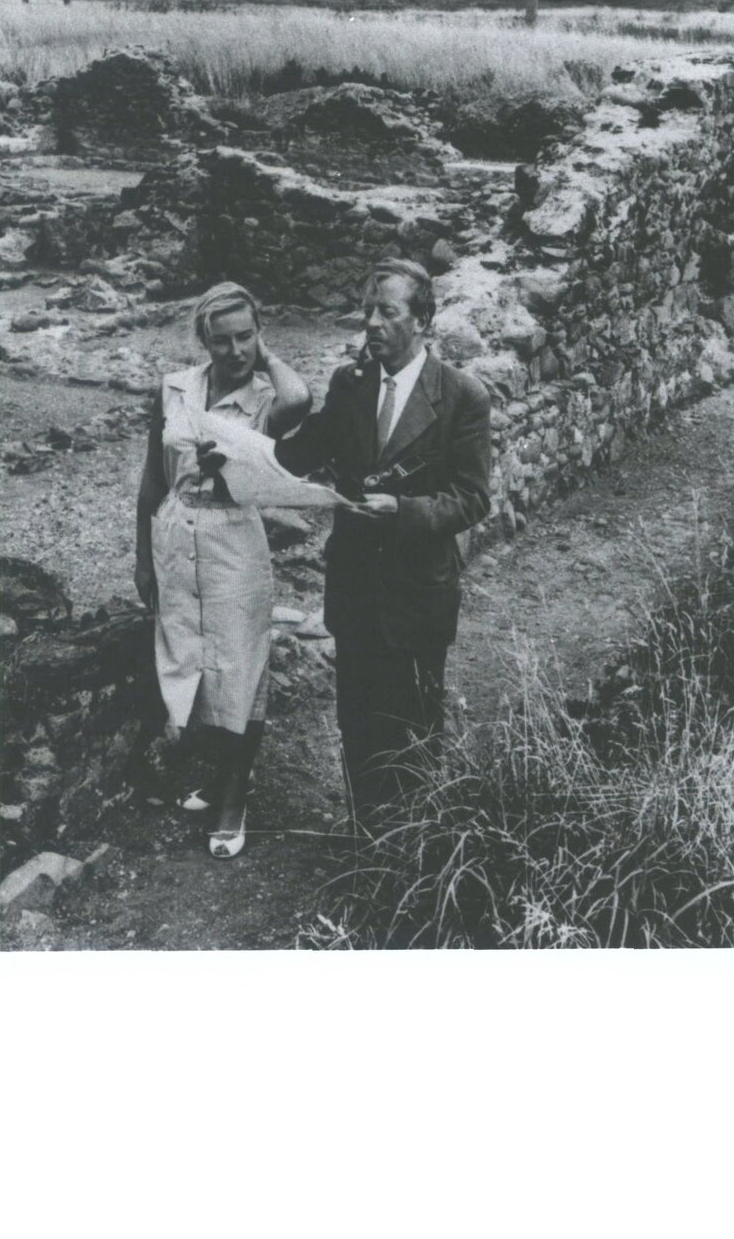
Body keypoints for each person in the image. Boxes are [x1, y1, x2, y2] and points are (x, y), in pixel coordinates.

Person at [261, 257, 493, 832]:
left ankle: (415, 849)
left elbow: (471, 497)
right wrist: (246, 442)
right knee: (358, 722)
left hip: (418, 593)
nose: (371, 323)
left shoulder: (462, 396)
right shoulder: (351, 384)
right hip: (357, 587)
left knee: (414, 727)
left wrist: (405, 511)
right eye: (367, 310)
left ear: (422, 321)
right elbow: (305, 449)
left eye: (387, 312)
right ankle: (367, 842)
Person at [134, 282, 322, 859]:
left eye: (246, 336)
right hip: (175, 535)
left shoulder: (267, 398)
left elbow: (303, 397)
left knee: (240, 669)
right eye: (223, 340)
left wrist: (265, 351)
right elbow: (151, 478)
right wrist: (142, 557)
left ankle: (234, 795)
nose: (235, 350)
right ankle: (220, 775)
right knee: (195, 662)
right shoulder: (174, 390)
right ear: (204, 342)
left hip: (234, 544)